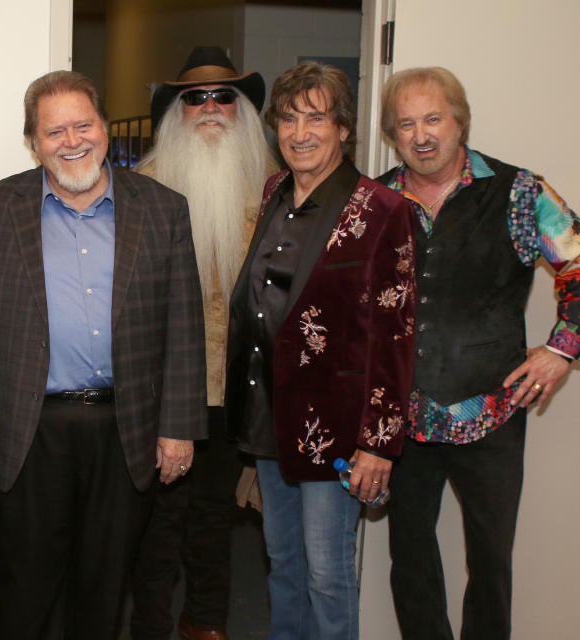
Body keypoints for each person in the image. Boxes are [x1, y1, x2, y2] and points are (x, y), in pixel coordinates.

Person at [0, 70, 207, 640]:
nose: (72, 141)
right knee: (27, 590)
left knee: (104, 588)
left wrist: (179, 429)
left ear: (106, 127)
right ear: (33, 141)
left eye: (83, 124)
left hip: (126, 430)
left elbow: (184, 323)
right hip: (27, 431)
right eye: (54, 131)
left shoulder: (162, 209)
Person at [377, 66, 580, 640]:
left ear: (459, 121)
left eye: (433, 119)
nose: (421, 135)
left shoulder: (520, 192)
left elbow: (578, 262)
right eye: (407, 123)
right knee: (409, 560)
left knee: (490, 564)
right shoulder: (377, 200)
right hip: (403, 415)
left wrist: (560, 352)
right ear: (394, 134)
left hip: (493, 410)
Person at [224, 61, 416, 639]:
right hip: (269, 420)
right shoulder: (273, 192)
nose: (300, 132)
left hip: (337, 429)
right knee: (283, 564)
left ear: (344, 129)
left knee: (328, 575)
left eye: (316, 118)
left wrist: (378, 444)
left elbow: (396, 335)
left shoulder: (382, 209)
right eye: (288, 118)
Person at [129, 46, 277, 640]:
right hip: (161, 388)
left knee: (215, 514)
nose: (210, 108)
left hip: (236, 388)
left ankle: (207, 622)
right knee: (157, 522)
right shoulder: (140, 189)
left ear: (242, 111)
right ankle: (149, 627)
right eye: (195, 99)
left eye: (224, 98)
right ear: (176, 112)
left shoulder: (275, 188)